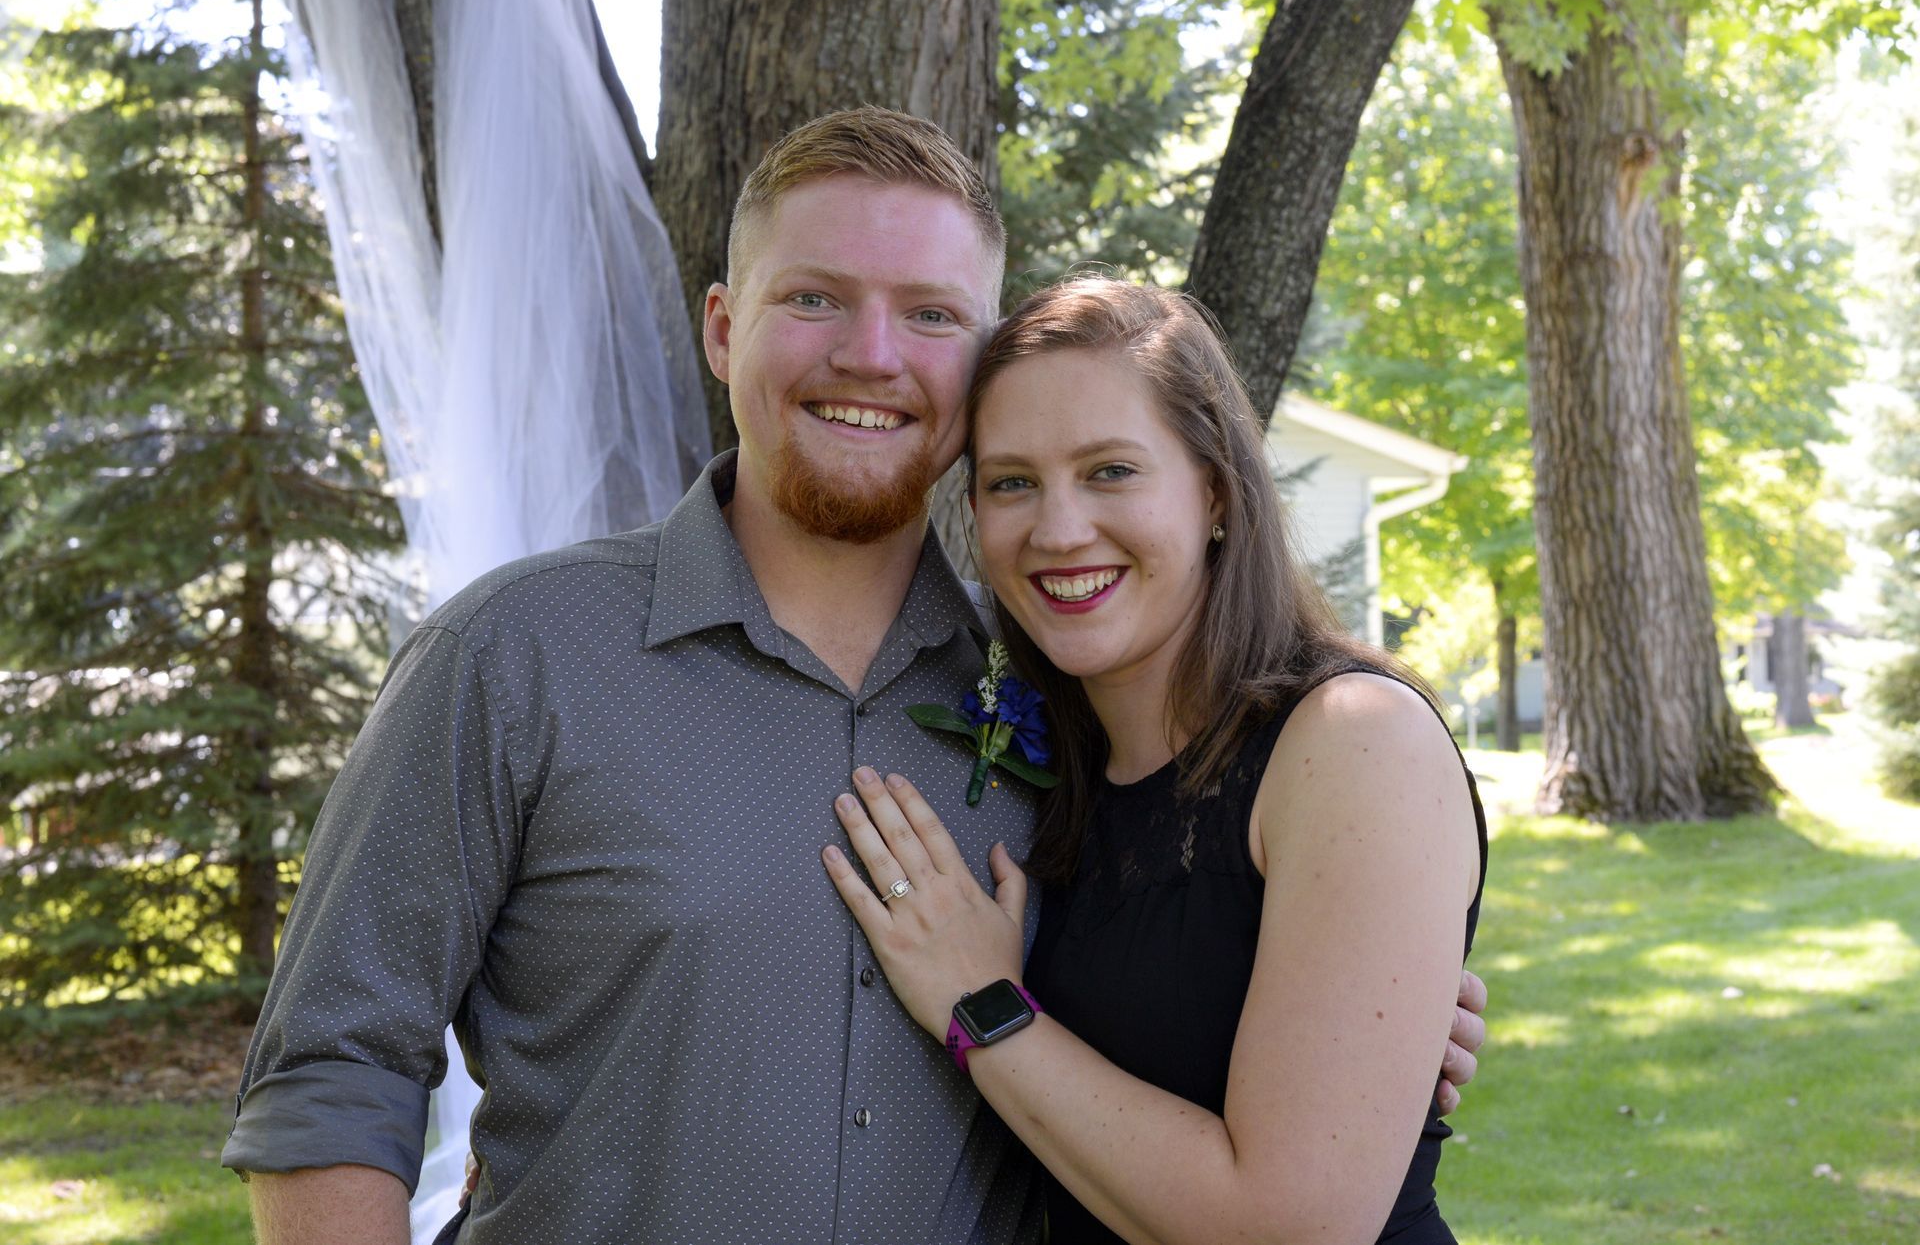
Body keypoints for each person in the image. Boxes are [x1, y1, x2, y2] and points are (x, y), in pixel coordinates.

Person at [220, 108, 1485, 1244]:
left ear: (976, 360)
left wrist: (1382, 1000)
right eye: (815, 298)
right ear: (725, 329)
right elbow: (333, 1068)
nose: (872, 355)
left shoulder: (1053, 698)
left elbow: (1199, 960)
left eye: (931, 314)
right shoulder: (511, 657)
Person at [823, 276, 1487, 1243]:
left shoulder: (1350, 740)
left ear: (1215, 489)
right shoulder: (1044, 771)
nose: (1058, 530)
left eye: (1111, 471)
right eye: (1013, 482)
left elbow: (1289, 1229)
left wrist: (985, 1009)